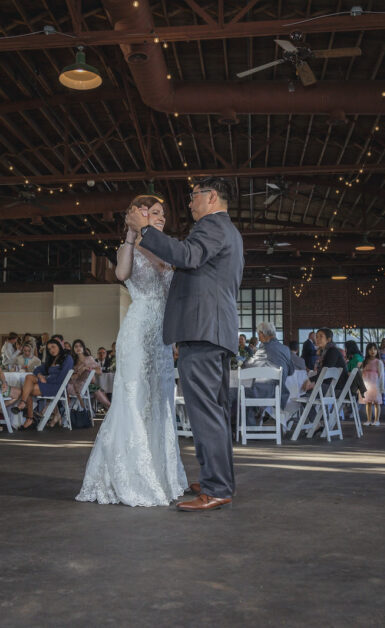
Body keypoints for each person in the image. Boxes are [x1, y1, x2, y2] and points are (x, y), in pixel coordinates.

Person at [125, 177, 243, 512]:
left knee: (205, 412)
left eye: (193, 196)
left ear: (212, 196)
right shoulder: (227, 230)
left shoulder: (212, 226)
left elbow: (188, 256)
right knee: (213, 411)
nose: (190, 203)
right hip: (213, 330)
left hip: (202, 330)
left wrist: (146, 231)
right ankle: (217, 480)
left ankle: (216, 487)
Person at [78, 193, 191, 507]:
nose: (160, 217)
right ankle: (130, 476)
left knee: (160, 401)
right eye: (154, 212)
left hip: (163, 337)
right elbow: (121, 274)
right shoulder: (128, 247)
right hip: (138, 330)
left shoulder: (168, 247)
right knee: (133, 398)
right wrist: (130, 235)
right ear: (140, 214)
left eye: (162, 214)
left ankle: (163, 475)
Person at [12, 338, 74, 429]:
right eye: (49, 349)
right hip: (48, 383)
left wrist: (46, 379)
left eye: (53, 347)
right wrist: (40, 376)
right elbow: (37, 370)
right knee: (28, 377)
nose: (51, 350)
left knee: (27, 389)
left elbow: (62, 378)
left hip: (58, 387)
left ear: (59, 346)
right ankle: (23, 405)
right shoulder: (52, 359)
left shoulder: (67, 358)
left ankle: (29, 416)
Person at [241, 322, 294, 426]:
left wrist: (243, 363)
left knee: (237, 392)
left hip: (266, 392)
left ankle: (248, 428)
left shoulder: (264, 349)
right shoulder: (286, 349)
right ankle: (256, 421)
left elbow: (247, 367)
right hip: (281, 392)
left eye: (258, 335)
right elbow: (291, 371)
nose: (258, 338)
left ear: (262, 334)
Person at [67, 339, 112, 413]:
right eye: (76, 346)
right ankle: (109, 407)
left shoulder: (89, 358)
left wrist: (88, 368)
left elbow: (99, 372)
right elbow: (71, 376)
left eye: (80, 346)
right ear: (73, 349)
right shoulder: (72, 360)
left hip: (85, 385)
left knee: (95, 388)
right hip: (73, 385)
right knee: (94, 388)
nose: (78, 348)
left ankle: (110, 407)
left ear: (83, 348)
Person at [301, 328, 347, 396]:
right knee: (304, 391)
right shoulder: (325, 352)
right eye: (316, 336)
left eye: (321, 336)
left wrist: (310, 380)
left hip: (337, 388)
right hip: (331, 385)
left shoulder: (332, 351)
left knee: (305, 394)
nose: (317, 339)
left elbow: (325, 371)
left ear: (328, 339)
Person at [359, 343, 385, 426]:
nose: (372, 351)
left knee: (377, 403)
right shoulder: (365, 362)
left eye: (374, 349)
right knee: (368, 402)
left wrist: (381, 387)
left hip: (376, 385)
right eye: (370, 349)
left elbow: (381, 376)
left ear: (377, 351)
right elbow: (361, 374)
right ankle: (369, 420)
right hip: (367, 385)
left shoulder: (379, 362)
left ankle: (377, 420)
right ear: (367, 351)